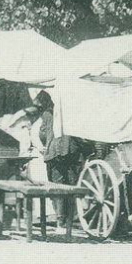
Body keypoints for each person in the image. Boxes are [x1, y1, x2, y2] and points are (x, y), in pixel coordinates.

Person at [37, 90, 83, 225]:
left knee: (57, 185)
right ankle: (70, 217)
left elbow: (43, 133)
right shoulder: (73, 112)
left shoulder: (47, 113)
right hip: (72, 151)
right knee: (71, 184)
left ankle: (60, 219)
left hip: (54, 152)